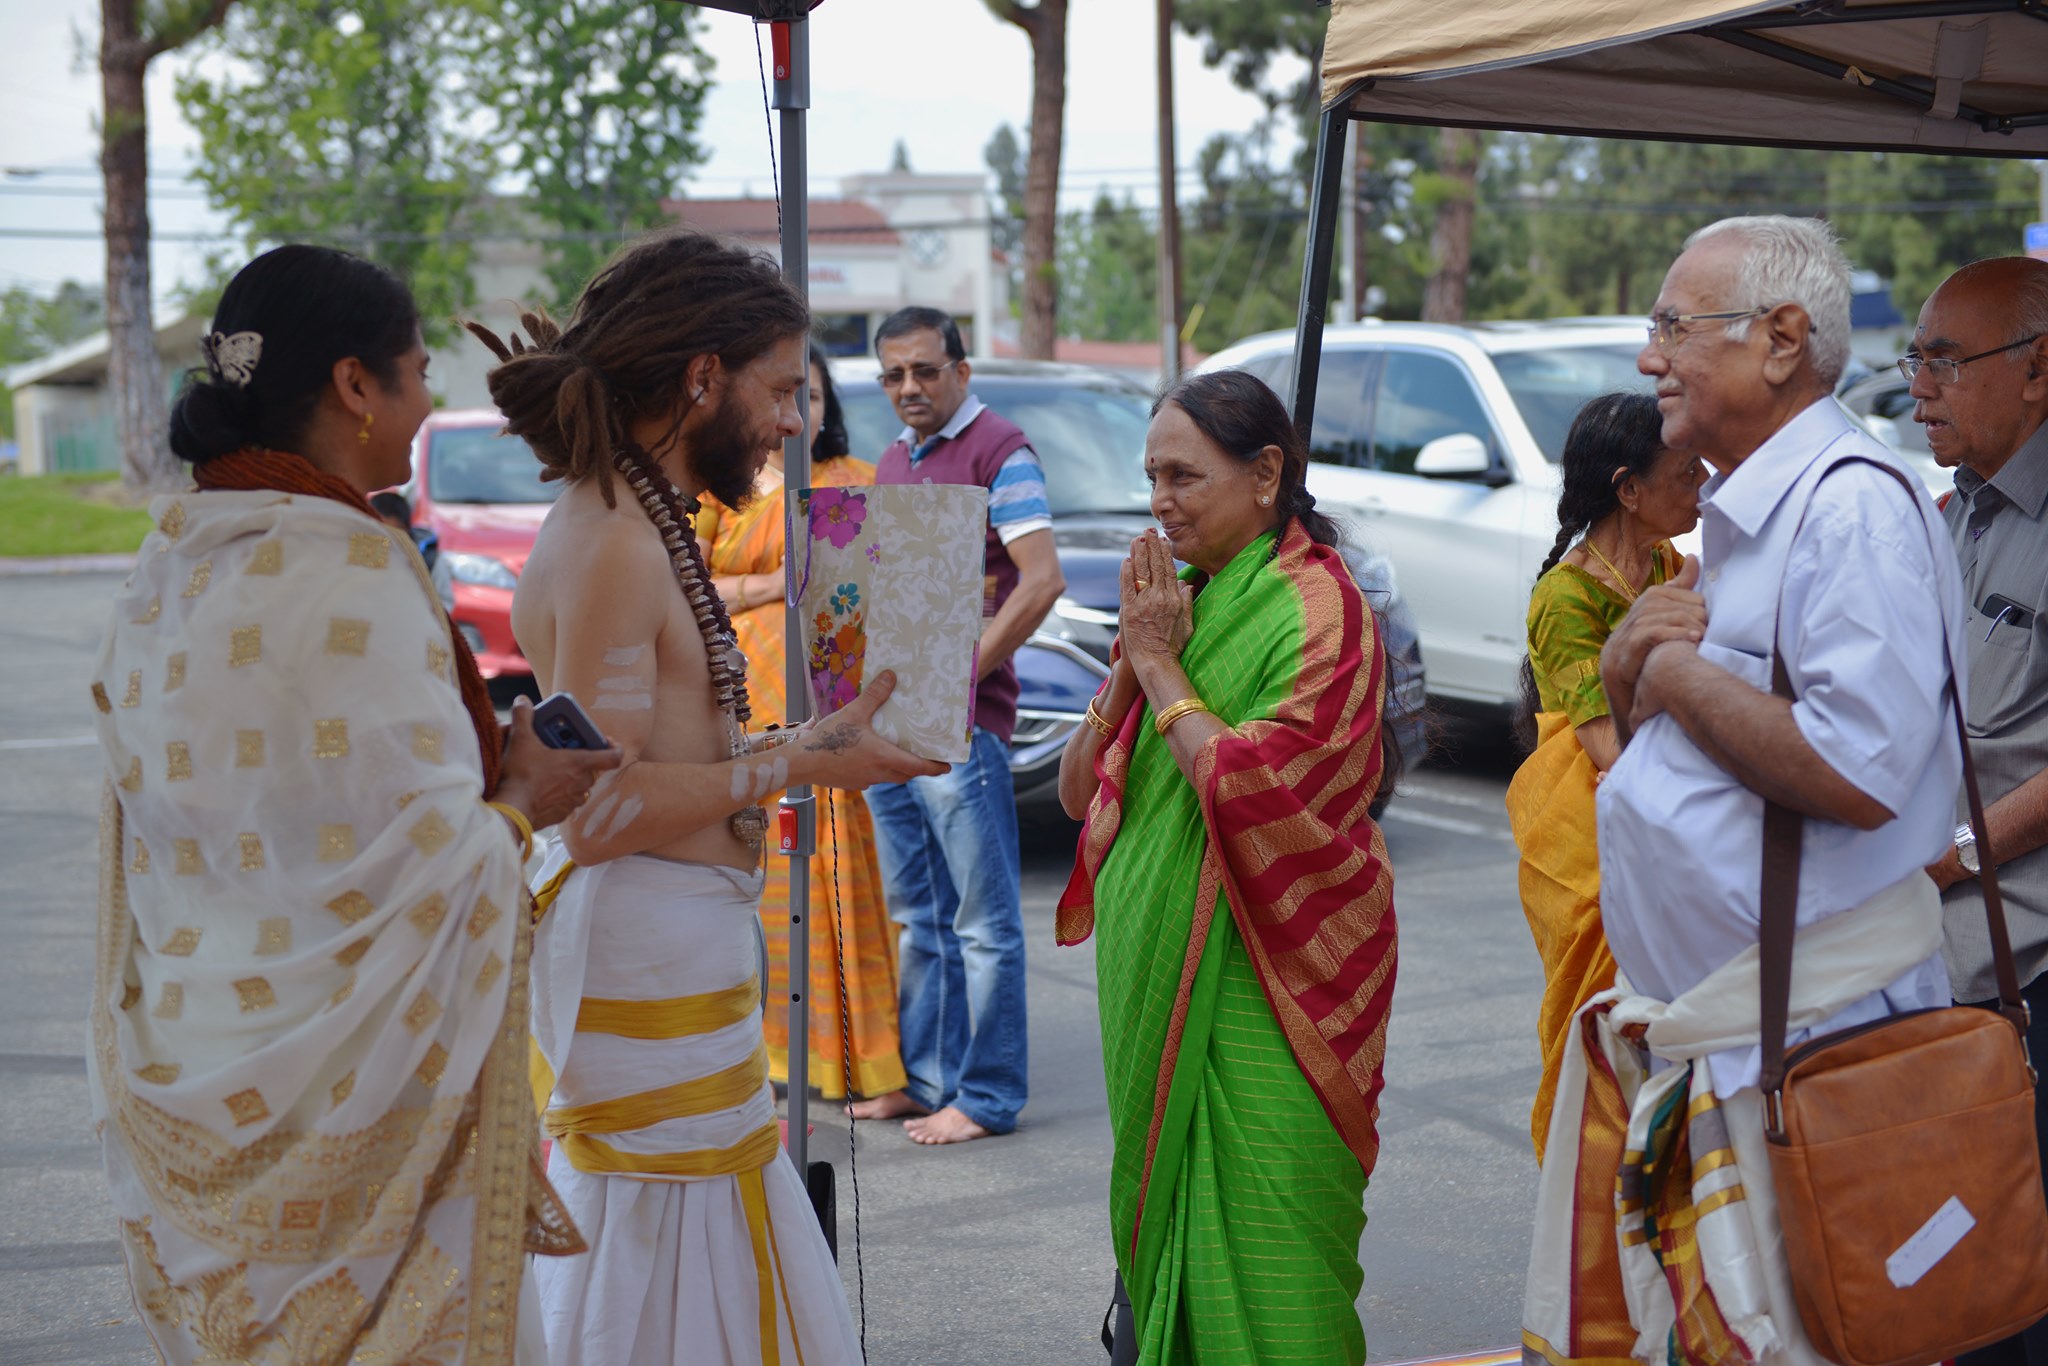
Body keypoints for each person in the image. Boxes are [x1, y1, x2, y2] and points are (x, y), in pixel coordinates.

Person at [88, 244, 618, 1363]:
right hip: (357, 1090)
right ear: (353, 384)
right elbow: (431, 866)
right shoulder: (352, 573)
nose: (427, 403)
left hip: (199, 1048)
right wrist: (525, 798)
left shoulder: (168, 565)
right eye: (417, 372)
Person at [466, 229, 943, 1366]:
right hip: (640, 950)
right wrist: (802, 764)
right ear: (700, 378)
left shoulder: (643, 523)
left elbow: (660, 754)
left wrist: (805, 740)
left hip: (670, 951)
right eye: (778, 390)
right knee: (658, 1245)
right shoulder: (613, 544)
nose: (793, 421)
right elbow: (598, 814)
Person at [1525, 216, 1965, 1364]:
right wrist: (1630, 676)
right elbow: (1692, 754)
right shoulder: (1749, 507)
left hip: (1811, 1052)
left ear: (1778, 340)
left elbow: (1856, 768)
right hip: (1733, 1043)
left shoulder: (1848, 507)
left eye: (1673, 326)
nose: (1648, 357)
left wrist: (1665, 671)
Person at [1055, 370, 1400, 1366]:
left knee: (1276, 1274)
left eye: (1183, 476)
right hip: (1159, 976)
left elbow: (1258, 789)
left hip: (1276, 981)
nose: (1159, 502)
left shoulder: (1320, 611)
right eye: (1150, 478)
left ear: (1265, 474)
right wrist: (1132, 665)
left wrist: (1162, 666)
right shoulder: (1181, 605)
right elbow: (1078, 793)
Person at [850, 306, 1064, 1145]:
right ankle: (928, 1083)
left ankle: (987, 1097)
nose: (909, 386)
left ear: (962, 372)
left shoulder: (1001, 452)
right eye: (894, 374)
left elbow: (1040, 581)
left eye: (925, 370)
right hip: (891, 721)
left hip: (962, 725)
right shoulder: (894, 460)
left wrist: (956, 677)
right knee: (921, 915)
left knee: (981, 924)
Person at [695, 346, 906, 1103]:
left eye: (812, 396)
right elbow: (692, 586)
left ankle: (855, 1055)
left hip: (829, 704)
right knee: (756, 866)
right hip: (744, 709)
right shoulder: (720, 490)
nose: (800, 412)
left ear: (827, 407)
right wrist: (778, 585)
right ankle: (767, 1053)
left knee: (835, 864)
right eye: (788, 395)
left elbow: (893, 588)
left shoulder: (856, 483)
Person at [1504, 392, 1705, 1161]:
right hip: (1594, 848)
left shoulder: (1667, 567)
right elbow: (1607, 750)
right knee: (1604, 1040)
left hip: (1663, 829)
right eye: (1686, 473)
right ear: (1629, 489)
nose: (1703, 484)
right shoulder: (1567, 597)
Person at [1911, 256, 2048, 1366]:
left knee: (2015, 1296)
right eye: (1915, 357)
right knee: (1955, 1286)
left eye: (1946, 360)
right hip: (1946, 971)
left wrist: (1951, 857)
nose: (1919, 385)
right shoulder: (1956, 513)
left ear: (2037, 369)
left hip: (2032, 976)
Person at [370, 488, 456, 612]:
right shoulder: (356, 553)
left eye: (394, 533)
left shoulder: (428, 558)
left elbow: (444, 602)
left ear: (407, 529)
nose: (386, 539)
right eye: (378, 531)